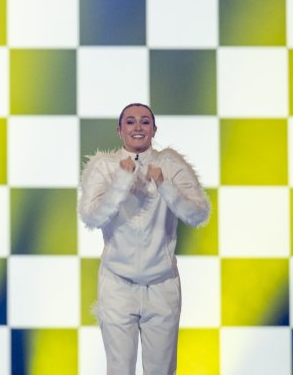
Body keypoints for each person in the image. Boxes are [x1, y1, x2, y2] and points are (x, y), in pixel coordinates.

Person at [78, 103, 211, 375]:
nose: (138, 127)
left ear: (154, 129)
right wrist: (121, 182)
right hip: (117, 284)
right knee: (119, 369)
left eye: (144, 122)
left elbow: (198, 214)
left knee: (161, 370)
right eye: (130, 122)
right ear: (119, 130)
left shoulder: (170, 165)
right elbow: (92, 217)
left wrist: (165, 186)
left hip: (162, 284)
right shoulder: (104, 167)